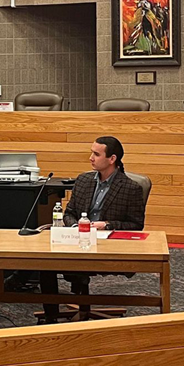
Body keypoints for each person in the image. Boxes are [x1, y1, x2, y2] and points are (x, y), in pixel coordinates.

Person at [39, 136, 146, 323]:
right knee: (44, 263)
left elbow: (136, 225)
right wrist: (75, 226)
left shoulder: (131, 188)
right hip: (77, 239)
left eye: (96, 154)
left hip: (106, 247)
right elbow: (69, 212)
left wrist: (107, 224)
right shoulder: (83, 180)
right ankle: (50, 317)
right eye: (91, 152)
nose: (91, 157)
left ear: (112, 159)